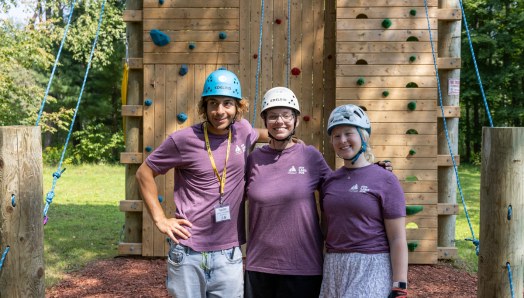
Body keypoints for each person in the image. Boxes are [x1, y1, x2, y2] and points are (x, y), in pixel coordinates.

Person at [243, 89, 393, 298]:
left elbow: (341, 186)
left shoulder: (310, 156)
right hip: (259, 265)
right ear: (264, 120)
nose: (280, 121)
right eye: (273, 116)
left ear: (295, 120)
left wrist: (370, 172)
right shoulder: (253, 159)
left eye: (287, 115)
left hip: (304, 266)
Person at [136, 69, 268, 298]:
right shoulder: (183, 140)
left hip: (229, 253)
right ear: (204, 108)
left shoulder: (243, 132)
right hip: (188, 252)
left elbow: (260, 133)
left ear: (238, 107)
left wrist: (286, 136)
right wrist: (160, 219)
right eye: (213, 104)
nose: (220, 111)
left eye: (227, 103)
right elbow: (143, 173)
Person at [319, 104, 408, 298]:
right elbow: (326, 230)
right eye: (336, 136)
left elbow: (398, 238)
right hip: (334, 266)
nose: (342, 140)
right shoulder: (329, 181)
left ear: (363, 136)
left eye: (348, 133)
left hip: (372, 264)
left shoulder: (385, 179)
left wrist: (400, 285)